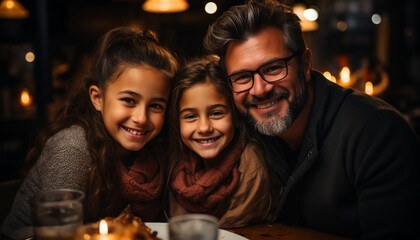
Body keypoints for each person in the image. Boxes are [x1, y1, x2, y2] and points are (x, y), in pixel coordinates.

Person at [203, 0, 420, 239]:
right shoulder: (240, 128)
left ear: (305, 65)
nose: (259, 89)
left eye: (274, 68)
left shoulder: (378, 134)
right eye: (243, 77)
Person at [1, 26, 178, 233]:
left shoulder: (152, 154)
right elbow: (58, 235)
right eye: (129, 100)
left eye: (156, 106)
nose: (141, 118)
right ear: (98, 98)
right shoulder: (73, 148)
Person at [166, 55, 281, 228]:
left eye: (216, 113)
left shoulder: (251, 169)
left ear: (235, 116)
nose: (204, 127)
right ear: (178, 122)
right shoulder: (175, 164)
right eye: (190, 116)